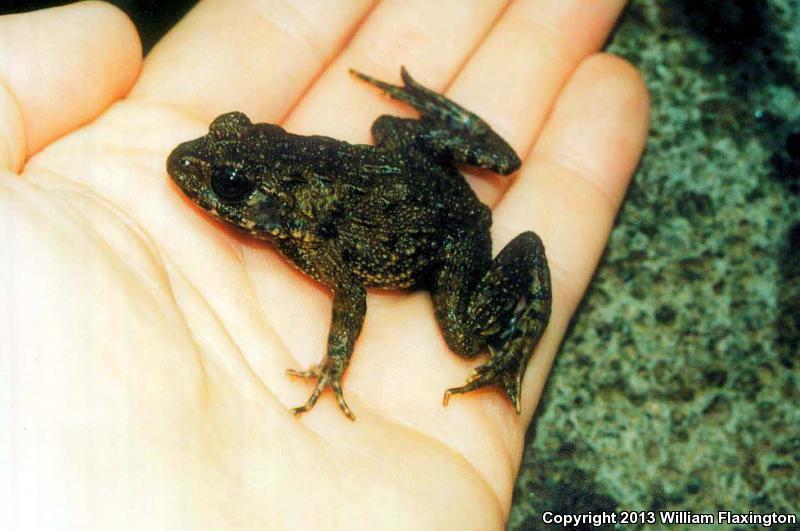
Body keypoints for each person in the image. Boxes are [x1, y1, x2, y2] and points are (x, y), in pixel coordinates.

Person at [0, 1, 649, 529]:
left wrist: (334, 368)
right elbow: (348, 284)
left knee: (463, 333)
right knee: (388, 129)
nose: (199, 166)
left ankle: (511, 350)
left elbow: (351, 293)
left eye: (227, 181)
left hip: (450, 235)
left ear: (269, 204)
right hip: (413, 174)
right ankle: (446, 124)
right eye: (228, 162)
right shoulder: (291, 218)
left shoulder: (306, 233)